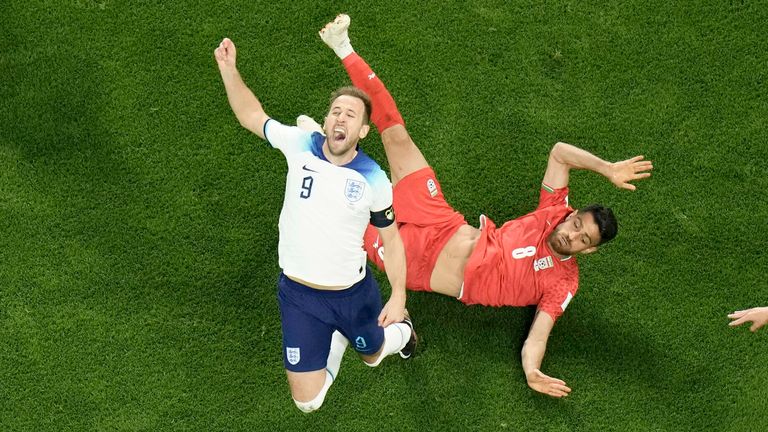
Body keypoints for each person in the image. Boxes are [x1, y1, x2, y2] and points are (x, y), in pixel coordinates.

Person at [305, 14, 653, 398]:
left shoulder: (563, 284)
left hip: (421, 263)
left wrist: (533, 369)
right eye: (576, 224)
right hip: (443, 220)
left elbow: (539, 335)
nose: (571, 235)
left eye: (582, 238)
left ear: (589, 251)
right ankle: (343, 46)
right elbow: (559, 154)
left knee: (344, 222)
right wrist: (606, 168)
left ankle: (319, 149)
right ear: (572, 214)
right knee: (397, 137)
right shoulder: (554, 210)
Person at [214, 37, 417, 413]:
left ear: (363, 132)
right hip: (298, 295)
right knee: (309, 403)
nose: (340, 117)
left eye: (351, 115)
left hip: (351, 296)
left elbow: (392, 239)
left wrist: (400, 296)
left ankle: (403, 333)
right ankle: (337, 340)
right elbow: (252, 116)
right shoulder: (300, 143)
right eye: (335, 111)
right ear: (326, 121)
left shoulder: (374, 180)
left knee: (372, 356)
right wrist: (229, 70)